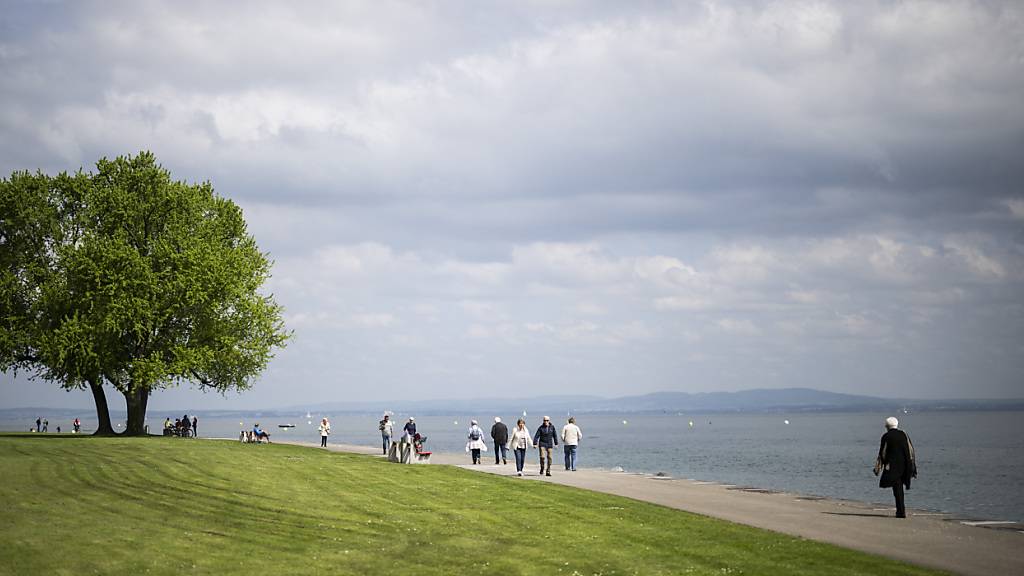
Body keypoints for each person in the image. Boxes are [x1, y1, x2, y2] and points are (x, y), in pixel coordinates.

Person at [874, 416, 917, 518]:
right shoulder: (904, 434)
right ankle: (901, 511)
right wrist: (912, 466)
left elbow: (882, 453)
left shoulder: (886, 436)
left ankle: (901, 511)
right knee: (900, 488)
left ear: (887, 426)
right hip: (905, 465)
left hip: (893, 467)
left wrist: (878, 467)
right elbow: (911, 450)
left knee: (897, 490)